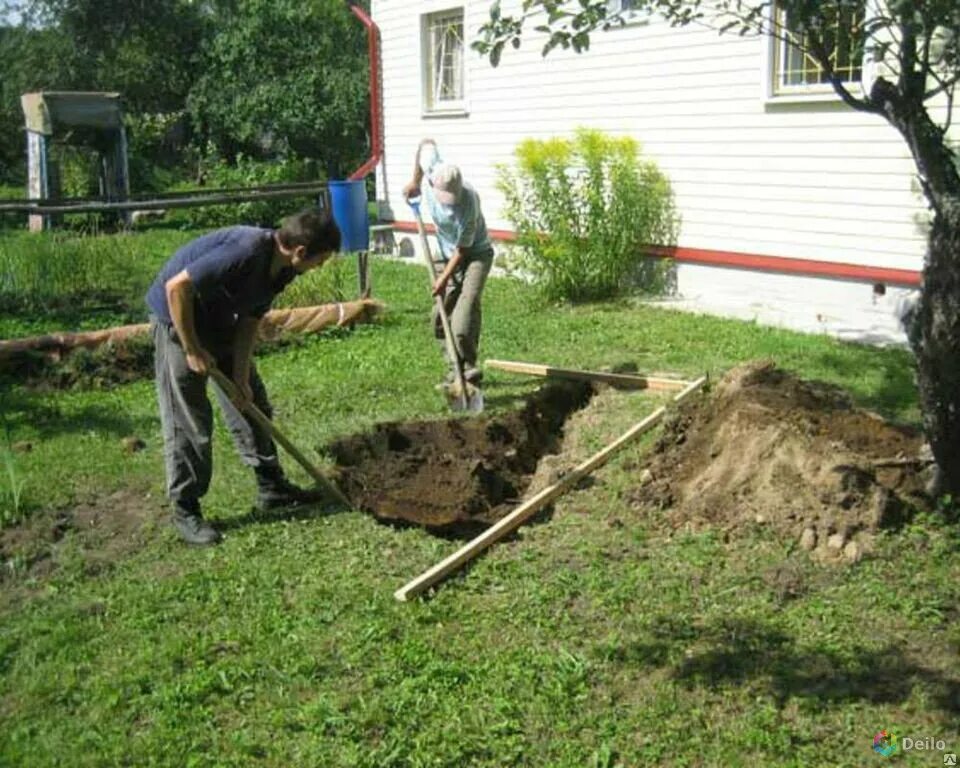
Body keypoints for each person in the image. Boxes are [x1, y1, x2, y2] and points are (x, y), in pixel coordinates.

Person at [145, 208, 342, 546]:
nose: (319, 268)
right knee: (189, 419)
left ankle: (272, 487)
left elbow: (251, 319)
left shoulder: (282, 271)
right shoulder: (246, 250)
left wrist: (241, 376)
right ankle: (185, 508)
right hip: (177, 320)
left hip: (219, 320)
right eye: (320, 261)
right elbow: (176, 288)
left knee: (252, 403)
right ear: (300, 252)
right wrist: (192, 348)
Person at [402, 139, 494, 386]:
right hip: (445, 253)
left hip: (476, 254)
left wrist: (443, 279)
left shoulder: (470, 202)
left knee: (464, 311)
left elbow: (463, 249)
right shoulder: (434, 171)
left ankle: (468, 368)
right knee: (439, 317)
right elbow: (424, 144)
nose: (449, 202)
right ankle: (454, 368)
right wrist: (415, 181)